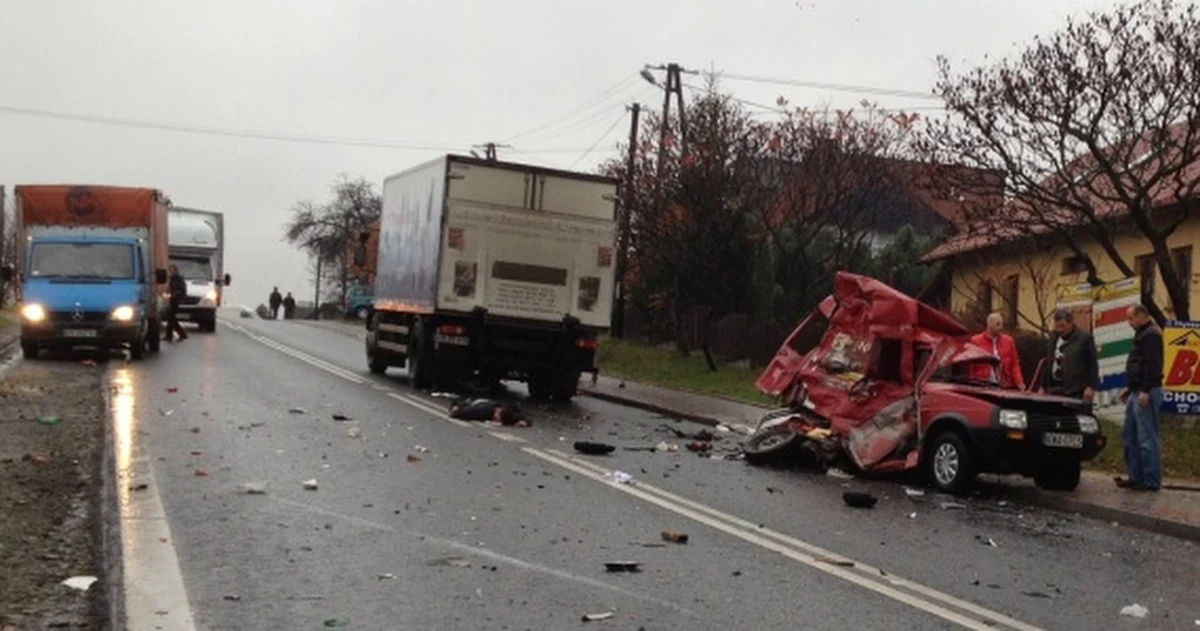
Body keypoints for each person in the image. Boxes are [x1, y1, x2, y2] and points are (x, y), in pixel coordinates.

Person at [1118, 304, 1164, 492]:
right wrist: (1130, 389)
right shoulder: (1142, 334)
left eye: (1130, 318)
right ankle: (1136, 476)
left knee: (1147, 437)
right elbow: (1138, 365)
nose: (1129, 322)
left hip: (1147, 391)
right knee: (1130, 435)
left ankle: (1151, 479)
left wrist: (1145, 390)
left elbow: (1153, 365)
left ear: (1141, 316)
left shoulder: (1151, 335)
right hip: (1137, 390)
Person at [1041, 308, 1099, 402]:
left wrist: (1090, 387)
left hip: (1075, 390)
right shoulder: (1053, 339)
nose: (1060, 330)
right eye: (1057, 326)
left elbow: (1092, 364)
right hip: (1053, 389)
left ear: (1071, 323)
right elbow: (1047, 363)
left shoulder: (1084, 339)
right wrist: (1042, 386)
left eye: (1062, 326)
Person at [967, 312, 1025, 389]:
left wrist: (1020, 382)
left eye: (1002, 324)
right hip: (982, 385)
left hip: (1004, 385)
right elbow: (971, 366)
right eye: (998, 324)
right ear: (989, 324)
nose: (1001, 327)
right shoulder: (976, 341)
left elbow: (1014, 364)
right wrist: (971, 385)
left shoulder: (1009, 341)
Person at [164, 264, 189, 342]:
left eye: (172, 271)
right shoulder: (171, 279)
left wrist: (175, 294)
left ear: (175, 271)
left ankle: (181, 334)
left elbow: (182, 290)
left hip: (177, 301)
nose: (170, 272)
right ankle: (169, 335)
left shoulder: (179, 279)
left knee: (172, 318)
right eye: (169, 271)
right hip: (172, 300)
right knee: (171, 318)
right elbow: (169, 289)